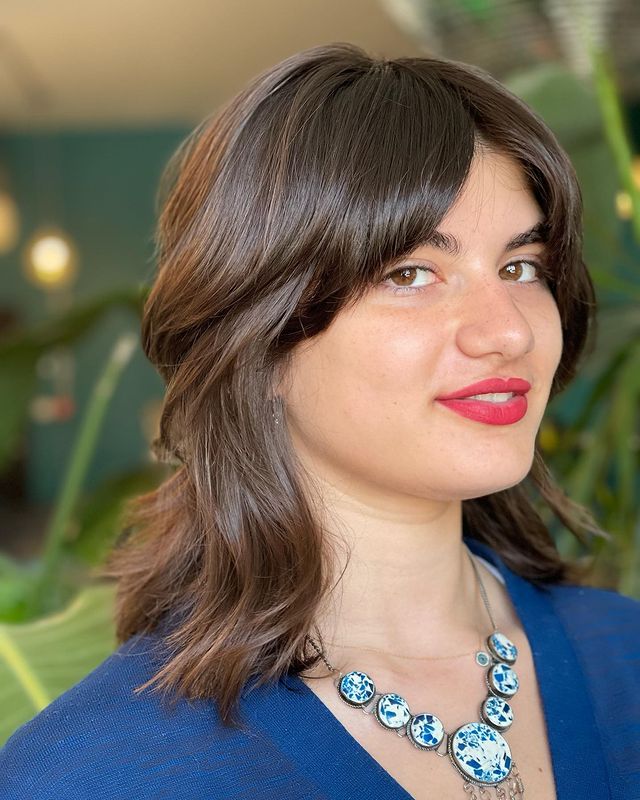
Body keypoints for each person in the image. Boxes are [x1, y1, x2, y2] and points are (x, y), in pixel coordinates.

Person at [1, 42, 638, 800]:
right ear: (258, 338)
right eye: (411, 274)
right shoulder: (95, 774)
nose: (508, 330)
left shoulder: (623, 656)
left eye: (521, 268)